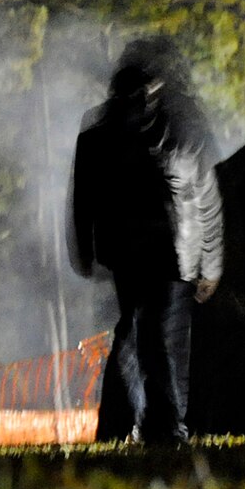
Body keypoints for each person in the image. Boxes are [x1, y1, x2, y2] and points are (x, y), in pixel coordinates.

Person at [71, 37, 224, 442]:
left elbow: (204, 195)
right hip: (162, 253)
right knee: (148, 339)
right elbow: (206, 197)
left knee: (144, 337)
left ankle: (144, 427)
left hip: (154, 254)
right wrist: (210, 264)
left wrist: (85, 251)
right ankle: (155, 427)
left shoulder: (106, 128)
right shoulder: (177, 123)